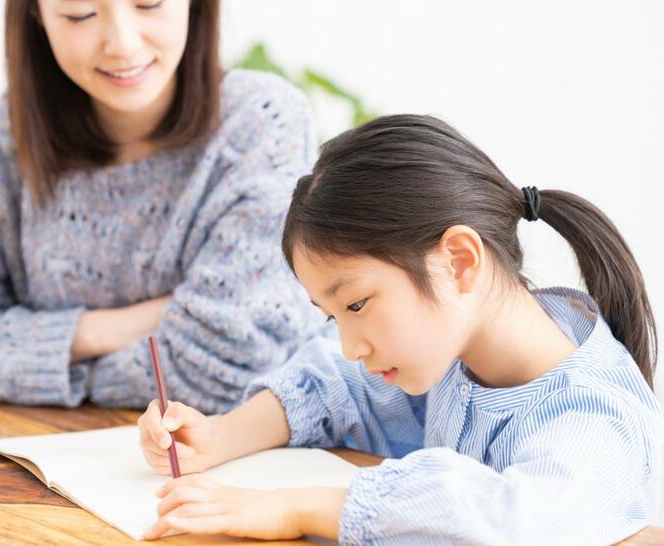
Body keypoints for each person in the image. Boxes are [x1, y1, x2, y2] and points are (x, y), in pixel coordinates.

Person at [138, 115, 661, 544]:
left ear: (458, 261)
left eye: (357, 304)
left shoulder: (594, 416)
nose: (349, 344)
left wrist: (297, 509)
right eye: (332, 315)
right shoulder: (462, 352)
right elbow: (340, 385)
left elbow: (508, 523)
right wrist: (219, 436)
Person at [0, 0, 320, 413]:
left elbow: (224, 368)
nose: (123, 44)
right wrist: (123, 327)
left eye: (149, 4)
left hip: (232, 462)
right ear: (36, 16)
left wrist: (56, 365)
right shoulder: (3, 134)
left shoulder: (262, 120)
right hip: (39, 454)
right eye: (80, 14)